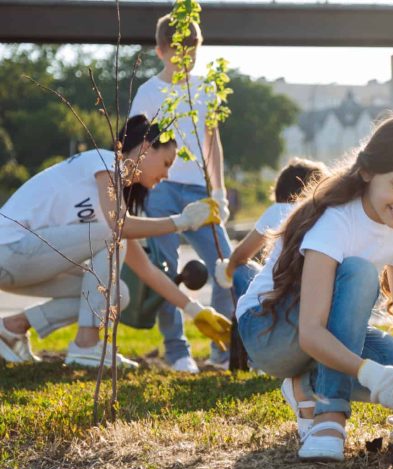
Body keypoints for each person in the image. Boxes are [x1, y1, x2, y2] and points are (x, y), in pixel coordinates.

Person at [236, 113, 393, 461]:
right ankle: (329, 416)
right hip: (269, 331)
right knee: (359, 272)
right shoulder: (336, 220)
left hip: (321, 333)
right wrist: (371, 374)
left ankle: (305, 385)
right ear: (368, 172)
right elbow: (311, 332)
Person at [0, 115, 231, 368]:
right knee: (114, 236)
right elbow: (119, 228)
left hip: (25, 263)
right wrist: (183, 221)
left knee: (118, 292)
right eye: (166, 163)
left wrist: (195, 311)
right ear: (145, 148)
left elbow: (147, 270)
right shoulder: (103, 161)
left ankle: (12, 328)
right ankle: (86, 346)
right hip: (8, 250)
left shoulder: (111, 207)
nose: (166, 175)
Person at [129, 12, 233, 373]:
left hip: (199, 191)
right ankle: (177, 351)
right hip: (160, 189)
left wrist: (218, 192)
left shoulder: (207, 87)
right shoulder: (148, 92)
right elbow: (135, 147)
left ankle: (222, 349)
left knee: (225, 266)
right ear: (160, 51)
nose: (185, 55)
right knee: (166, 269)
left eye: (192, 48)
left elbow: (213, 141)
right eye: (177, 50)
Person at [213, 157, 327, 297]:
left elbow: (240, 255)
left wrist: (226, 273)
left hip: (276, 298)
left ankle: (231, 314)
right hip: (313, 295)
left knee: (239, 269)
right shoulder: (324, 214)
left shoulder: (279, 210)